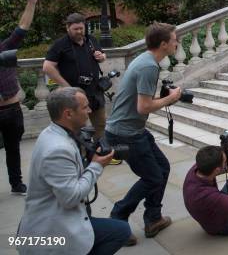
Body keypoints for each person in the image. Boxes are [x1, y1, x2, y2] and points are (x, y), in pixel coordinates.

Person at [17, 87, 131, 255]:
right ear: (68, 114)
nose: (90, 110)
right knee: (121, 231)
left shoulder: (52, 132)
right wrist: (97, 166)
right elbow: (70, 198)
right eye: (85, 107)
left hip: (51, 217)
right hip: (50, 231)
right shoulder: (57, 149)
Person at [104, 22, 182, 239]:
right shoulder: (148, 66)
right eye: (175, 39)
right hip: (125, 134)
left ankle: (153, 218)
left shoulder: (146, 60)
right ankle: (117, 218)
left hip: (132, 130)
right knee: (152, 178)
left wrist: (165, 97)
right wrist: (171, 98)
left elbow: (142, 102)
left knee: (162, 169)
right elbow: (144, 107)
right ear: (164, 43)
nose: (177, 43)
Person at [43, 13, 110, 145]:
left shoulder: (91, 40)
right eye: (76, 29)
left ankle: (100, 151)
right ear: (68, 28)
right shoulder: (60, 44)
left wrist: (101, 57)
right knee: (78, 128)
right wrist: (67, 87)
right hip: (74, 96)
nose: (79, 31)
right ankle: (81, 155)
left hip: (95, 92)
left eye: (81, 28)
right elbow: (47, 67)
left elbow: (102, 55)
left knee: (101, 124)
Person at [0, 0, 37, 195]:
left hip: (12, 109)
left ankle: (16, 183)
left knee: (13, 150)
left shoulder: (4, 48)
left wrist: (31, 3)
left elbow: (22, 28)